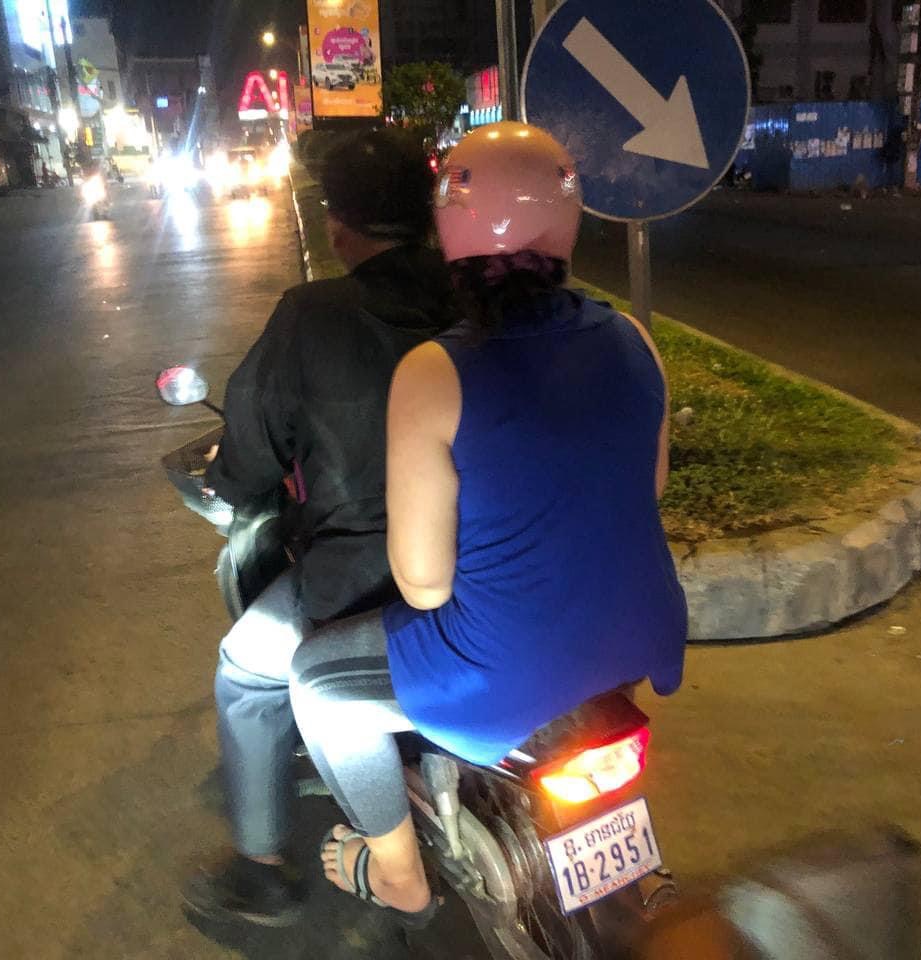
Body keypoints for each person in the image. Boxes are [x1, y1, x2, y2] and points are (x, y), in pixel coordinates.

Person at [286, 121, 688, 925]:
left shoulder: (434, 371)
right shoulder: (634, 339)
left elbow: (424, 585)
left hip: (506, 667)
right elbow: (650, 486)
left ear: (450, 231)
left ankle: (398, 872)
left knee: (317, 684)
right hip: (641, 632)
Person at [182, 128, 454, 927]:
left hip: (361, 573)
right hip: (489, 563)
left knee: (245, 671)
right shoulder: (480, 299)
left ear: (336, 225)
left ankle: (262, 871)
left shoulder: (311, 316)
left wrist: (228, 480)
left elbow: (252, 447)